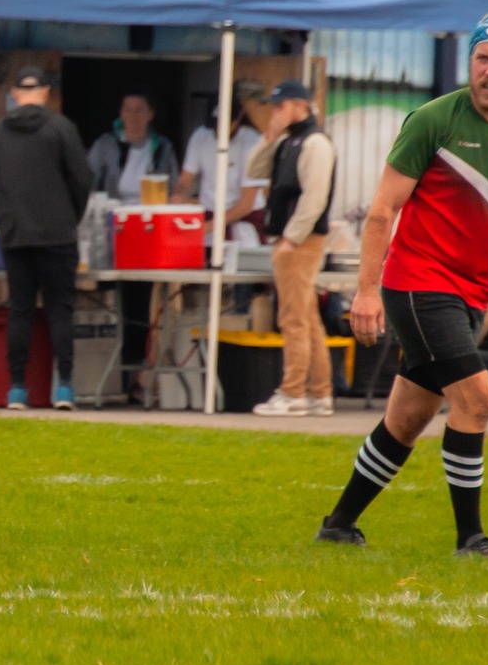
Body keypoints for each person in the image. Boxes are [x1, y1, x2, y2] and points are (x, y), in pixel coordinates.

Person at [316, 14, 488, 559]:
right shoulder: (432, 120)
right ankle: (470, 538)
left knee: (407, 418)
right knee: (477, 398)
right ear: (469, 63)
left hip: (470, 293)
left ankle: (338, 524)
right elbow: (382, 210)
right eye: (482, 58)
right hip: (417, 284)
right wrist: (366, 291)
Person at [0, 67, 90, 410]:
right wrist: (70, 218)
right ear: (45, 92)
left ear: (14, 93)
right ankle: (64, 387)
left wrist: (5, 217)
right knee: (60, 310)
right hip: (58, 235)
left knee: (20, 310)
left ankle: (17, 389)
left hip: (16, 236)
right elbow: (82, 180)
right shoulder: (62, 128)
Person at [247, 79, 337, 417]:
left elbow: (314, 198)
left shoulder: (315, 143)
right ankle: (320, 392)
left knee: (292, 318)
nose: (275, 112)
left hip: (301, 241)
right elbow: (253, 171)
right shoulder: (288, 141)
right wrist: (269, 137)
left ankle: (293, 391)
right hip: (291, 238)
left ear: (301, 105)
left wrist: (291, 238)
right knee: (307, 317)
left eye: (281, 106)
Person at [177, 85, 266, 240]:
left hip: (244, 217)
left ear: (238, 118)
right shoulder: (200, 136)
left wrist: (208, 227)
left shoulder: (253, 142)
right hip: (209, 212)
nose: (219, 131)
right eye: (215, 125)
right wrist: (179, 197)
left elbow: (246, 203)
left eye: (225, 125)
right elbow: (186, 180)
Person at [87, 92, 180, 198]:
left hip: (152, 206)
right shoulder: (104, 145)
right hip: (113, 206)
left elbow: (174, 186)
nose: (133, 117)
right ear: (121, 114)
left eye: (138, 111)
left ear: (150, 114)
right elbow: (88, 180)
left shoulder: (163, 147)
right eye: (128, 111)